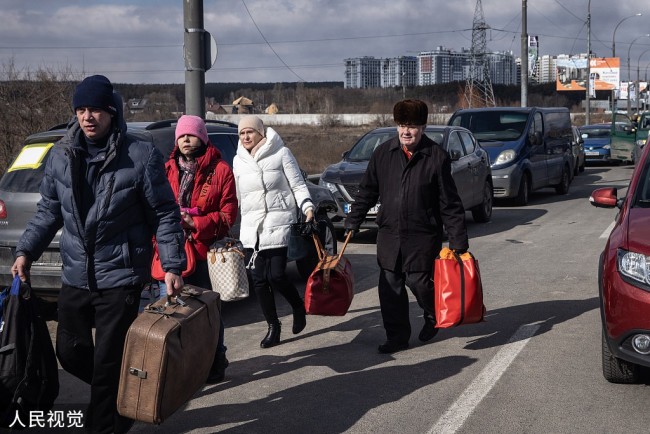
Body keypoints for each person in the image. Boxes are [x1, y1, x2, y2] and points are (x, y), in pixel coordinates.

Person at [11, 75, 186, 434]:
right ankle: (126, 393)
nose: (87, 116)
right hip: (76, 273)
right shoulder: (60, 154)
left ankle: (105, 420)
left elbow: (164, 213)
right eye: (80, 109)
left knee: (106, 361)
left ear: (111, 111)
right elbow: (48, 211)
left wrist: (171, 264)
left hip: (120, 276)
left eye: (94, 109)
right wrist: (26, 250)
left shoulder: (140, 153)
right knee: (70, 352)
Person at [344, 99, 469, 354]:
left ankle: (433, 313)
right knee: (390, 288)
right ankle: (397, 337)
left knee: (419, 282)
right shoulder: (383, 154)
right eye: (401, 125)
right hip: (390, 234)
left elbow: (450, 203)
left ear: (423, 127)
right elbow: (367, 192)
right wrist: (353, 220)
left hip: (422, 235)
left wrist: (458, 242)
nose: (406, 131)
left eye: (411, 126)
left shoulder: (436, 157)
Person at [151, 114, 238, 383]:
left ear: (202, 137)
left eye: (192, 134)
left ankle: (216, 359)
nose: (187, 139)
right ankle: (178, 365)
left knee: (207, 312)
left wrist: (196, 222)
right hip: (168, 252)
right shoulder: (165, 169)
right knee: (171, 312)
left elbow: (227, 216)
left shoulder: (221, 170)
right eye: (182, 135)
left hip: (203, 253)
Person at [233, 115, 314, 348]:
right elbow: (237, 196)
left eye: (250, 132)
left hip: (278, 222)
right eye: (242, 133)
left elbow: (298, 184)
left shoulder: (281, 153)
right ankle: (273, 326)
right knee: (258, 280)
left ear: (261, 132)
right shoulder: (238, 160)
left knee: (277, 275)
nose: (246, 137)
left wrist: (307, 207)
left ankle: (297, 306)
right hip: (252, 229)